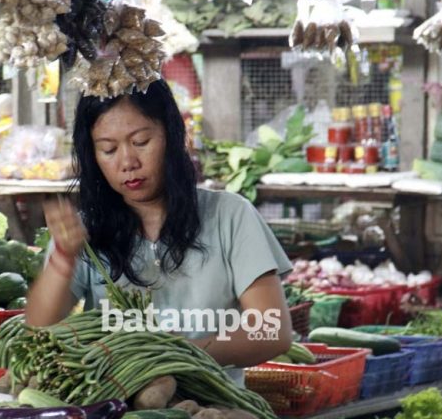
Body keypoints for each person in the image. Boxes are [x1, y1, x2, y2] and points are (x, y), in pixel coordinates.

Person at [26, 79, 293, 368]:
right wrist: (63, 259)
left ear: (172, 135)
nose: (128, 162)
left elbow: (272, 332)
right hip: (117, 395)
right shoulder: (85, 231)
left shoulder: (230, 215)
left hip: (212, 396)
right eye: (108, 149)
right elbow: (37, 332)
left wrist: (169, 356)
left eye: (141, 142)